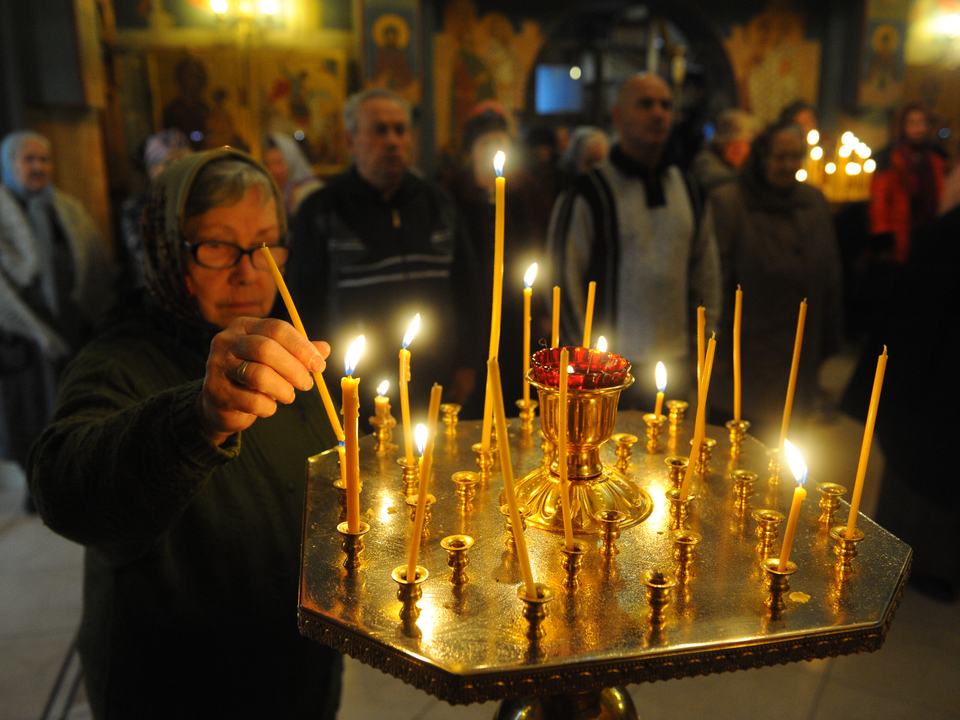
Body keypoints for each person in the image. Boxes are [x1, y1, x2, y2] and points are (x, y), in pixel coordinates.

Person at [28, 148, 343, 718]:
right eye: (219, 246)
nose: (251, 270)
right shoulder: (117, 359)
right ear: (168, 251)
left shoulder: (290, 349)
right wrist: (200, 416)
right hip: (176, 683)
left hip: (294, 672)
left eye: (268, 243)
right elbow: (64, 489)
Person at [290, 88, 481, 416]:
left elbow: (467, 287)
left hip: (435, 379)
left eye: (400, 129)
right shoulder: (322, 209)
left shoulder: (440, 204)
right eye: (379, 130)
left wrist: (467, 363)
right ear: (351, 141)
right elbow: (304, 301)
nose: (392, 140)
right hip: (354, 386)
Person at [547, 73, 721, 408]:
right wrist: (583, 362)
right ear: (618, 117)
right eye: (645, 104)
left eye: (666, 105)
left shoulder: (690, 189)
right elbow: (562, 277)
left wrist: (707, 341)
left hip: (677, 359)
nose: (658, 114)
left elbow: (706, 272)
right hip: (607, 368)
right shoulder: (590, 192)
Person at [0, 130, 116, 507]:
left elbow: (93, 262)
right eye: (27, 159)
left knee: (76, 407)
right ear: (9, 164)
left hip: (72, 325)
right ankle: (41, 488)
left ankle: (77, 478)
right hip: (23, 339)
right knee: (34, 416)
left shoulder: (66, 208)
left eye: (43, 159)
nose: (37, 167)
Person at [709, 120, 843, 442]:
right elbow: (717, 282)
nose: (789, 166)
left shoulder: (813, 200)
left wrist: (828, 336)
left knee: (783, 458)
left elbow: (830, 273)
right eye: (780, 157)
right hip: (747, 360)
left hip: (797, 354)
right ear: (761, 157)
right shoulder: (729, 201)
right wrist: (720, 351)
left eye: (796, 157)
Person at [443, 106, 551, 414]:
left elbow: (542, 247)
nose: (495, 150)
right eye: (486, 144)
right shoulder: (454, 192)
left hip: (520, 308)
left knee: (522, 393)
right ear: (470, 152)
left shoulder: (528, 190)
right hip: (473, 310)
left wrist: (543, 307)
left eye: (501, 142)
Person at [869, 102, 945, 265]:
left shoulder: (935, 159)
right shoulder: (891, 158)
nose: (918, 128)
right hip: (900, 232)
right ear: (902, 126)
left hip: (928, 233)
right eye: (912, 122)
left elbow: (940, 195)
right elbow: (879, 200)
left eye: (922, 122)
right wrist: (882, 233)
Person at [119, 129, 192, 290]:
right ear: (151, 170)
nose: (176, 169)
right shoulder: (134, 208)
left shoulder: (199, 200)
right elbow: (147, 256)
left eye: (182, 162)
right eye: (167, 163)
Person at [690, 109, 755, 197]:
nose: (741, 151)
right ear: (720, 145)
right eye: (735, 144)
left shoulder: (739, 165)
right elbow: (713, 180)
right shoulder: (705, 160)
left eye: (745, 144)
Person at [262, 132, 323, 217]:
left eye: (279, 163)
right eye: (269, 165)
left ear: (292, 162)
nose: (274, 170)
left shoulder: (311, 191)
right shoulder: (269, 193)